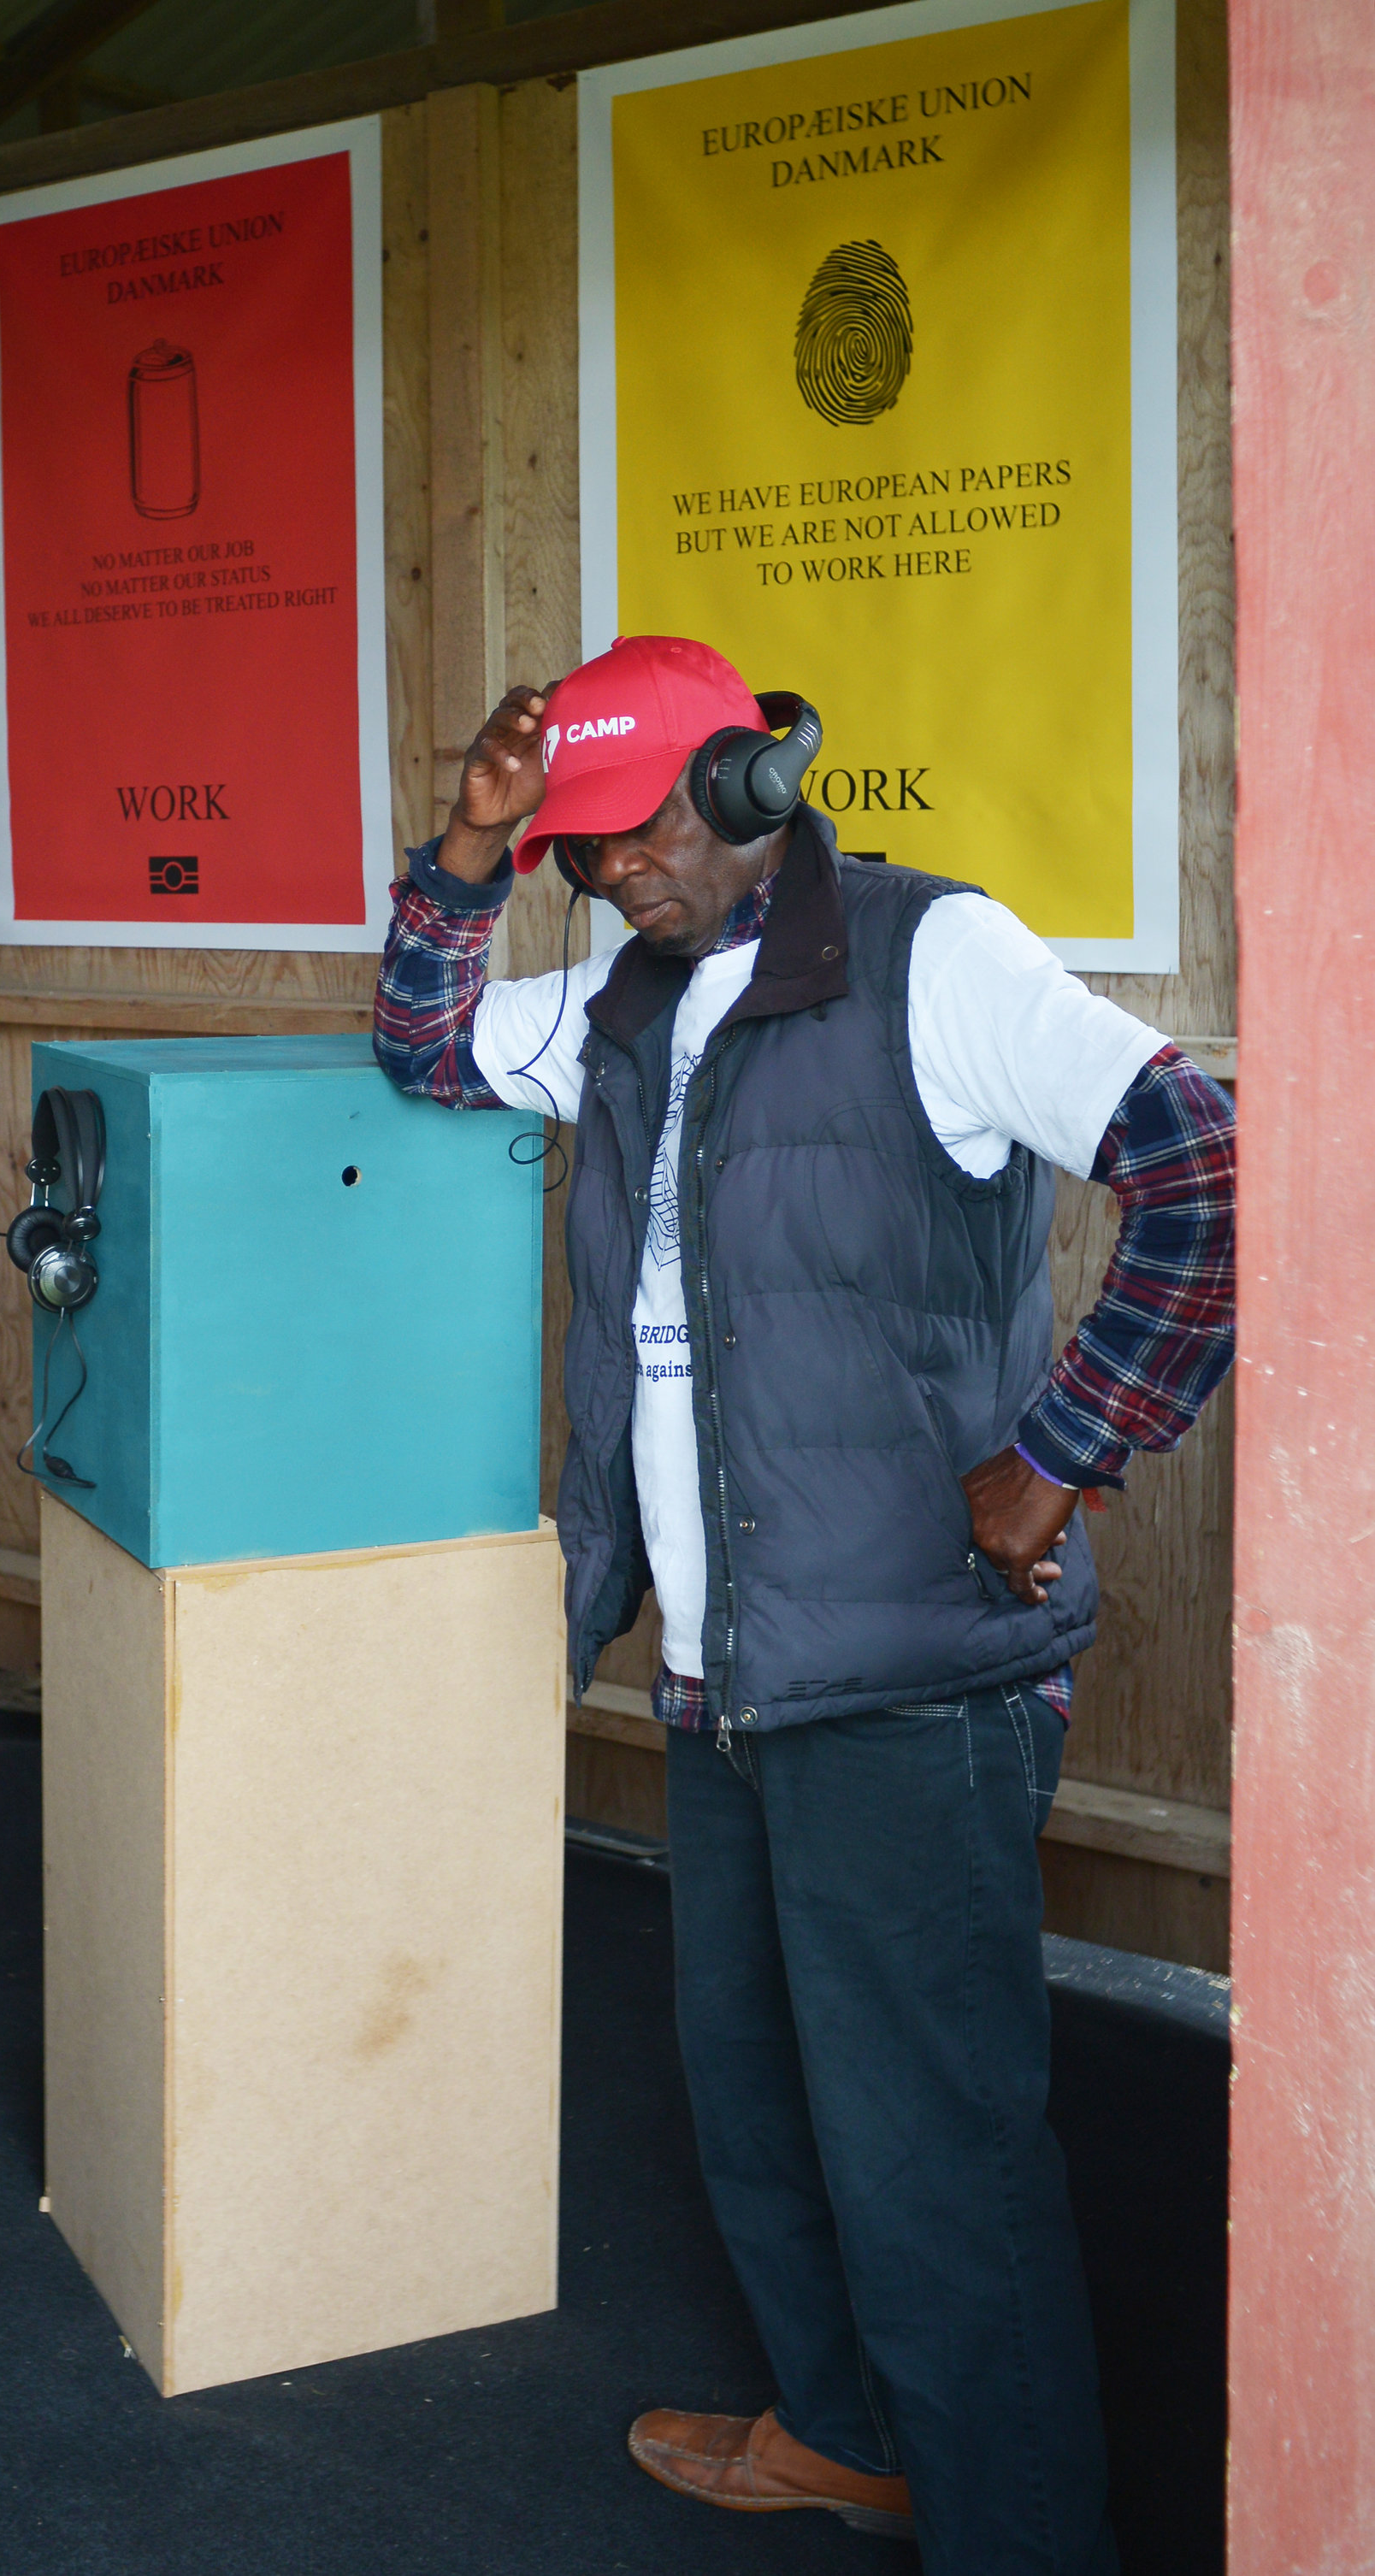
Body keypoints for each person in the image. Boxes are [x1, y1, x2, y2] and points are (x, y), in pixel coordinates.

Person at [374, 634, 1234, 2572]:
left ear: (756, 788)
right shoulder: (619, 990)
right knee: (751, 2097)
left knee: (936, 2154)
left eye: (643, 830)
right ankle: (852, 2438)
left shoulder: (940, 959)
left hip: (909, 1677)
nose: (617, 875)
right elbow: (424, 1048)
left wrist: (1066, 1447)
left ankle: (1023, 2533)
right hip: (721, 1669)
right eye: (581, 851)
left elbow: (1202, 1165)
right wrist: (465, 849)